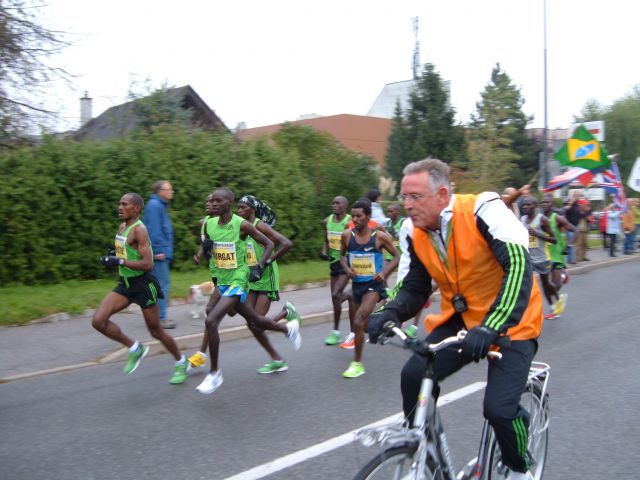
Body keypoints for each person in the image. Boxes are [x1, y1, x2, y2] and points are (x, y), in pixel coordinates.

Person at [368, 158, 543, 480]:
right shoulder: (413, 231)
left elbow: (519, 268)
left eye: (415, 197)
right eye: (403, 197)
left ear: (443, 195)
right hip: (461, 321)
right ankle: (424, 452)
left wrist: (492, 325)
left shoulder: (484, 210)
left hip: (511, 322)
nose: (406, 205)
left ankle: (520, 466)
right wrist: (387, 312)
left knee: (499, 411)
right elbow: (414, 287)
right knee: (414, 375)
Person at [194, 188, 302, 395]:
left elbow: (270, 243)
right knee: (253, 321)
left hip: (241, 279)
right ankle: (288, 329)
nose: (213, 204)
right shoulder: (209, 224)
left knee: (212, 319)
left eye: (218, 201)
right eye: (211, 200)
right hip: (224, 280)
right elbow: (217, 252)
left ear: (229, 203)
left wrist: (262, 264)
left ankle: (214, 373)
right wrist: (205, 250)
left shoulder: (242, 224)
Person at [92, 192, 187, 384]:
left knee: (155, 331)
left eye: (124, 204)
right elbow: (126, 251)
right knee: (98, 321)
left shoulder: (139, 229)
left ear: (136, 208)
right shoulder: (122, 227)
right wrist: (114, 254)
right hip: (126, 284)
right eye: (119, 203)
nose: (120, 207)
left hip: (143, 285)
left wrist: (119, 260)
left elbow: (148, 264)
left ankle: (181, 362)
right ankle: (135, 348)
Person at [339, 199, 399, 378]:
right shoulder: (347, 236)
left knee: (357, 320)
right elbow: (341, 257)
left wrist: (384, 273)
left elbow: (396, 257)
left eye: (359, 216)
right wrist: (347, 269)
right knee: (364, 326)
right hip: (357, 285)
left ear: (368, 217)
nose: (355, 219)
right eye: (353, 216)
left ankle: (357, 364)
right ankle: (383, 324)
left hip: (374, 286)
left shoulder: (379, 236)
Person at [237, 194, 294, 374]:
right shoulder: (242, 227)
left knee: (256, 322)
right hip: (253, 277)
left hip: (266, 275)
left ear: (252, 210)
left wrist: (266, 263)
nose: (239, 211)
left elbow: (286, 243)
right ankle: (277, 358)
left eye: (242, 208)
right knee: (251, 321)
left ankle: (287, 317)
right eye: (237, 208)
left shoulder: (259, 225)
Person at [320, 196, 356, 347]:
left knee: (336, 294)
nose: (334, 205)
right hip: (333, 263)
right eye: (333, 202)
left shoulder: (349, 221)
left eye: (338, 203)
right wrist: (324, 251)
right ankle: (336, 332)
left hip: (346, 262)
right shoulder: (327, 221)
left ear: (345, 206)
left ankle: (353, 332)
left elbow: (356, 240)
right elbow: (326, 239)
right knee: (334, 298)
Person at [520, 196, 560, 319]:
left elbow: (554, 240)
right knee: (525, 284)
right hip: (529, 258)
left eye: (528, 204)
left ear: (534, 206)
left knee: (546, 284)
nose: (525, 207)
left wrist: (537, 234)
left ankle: (558, 301)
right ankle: (529, 311)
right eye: (524, 205)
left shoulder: (542, 220)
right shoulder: (522, 219)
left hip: (543, 258)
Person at [143, 180, 176, 329]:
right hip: (159, 253)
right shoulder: (155, 206)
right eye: (168, 189)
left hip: (159, 251)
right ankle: (161, 318)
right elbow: (153, 230)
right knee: (162, 285)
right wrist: (157, 252)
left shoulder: (158, 205)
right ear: (159, 191)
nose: (171, 191)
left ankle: (154, 316)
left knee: (155, 285)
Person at [540, 195, 575, 308]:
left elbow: (576, 230)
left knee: (556, 285)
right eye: (542, 202)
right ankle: (556, 305)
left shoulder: (557, 218)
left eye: (547, 202)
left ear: (552, 205)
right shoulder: (540, 218)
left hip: (557, 255)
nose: (544, 204)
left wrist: (569, 244)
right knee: (547, 284)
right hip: (545, 255)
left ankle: (563, 278)